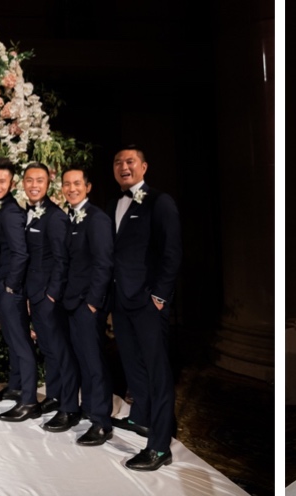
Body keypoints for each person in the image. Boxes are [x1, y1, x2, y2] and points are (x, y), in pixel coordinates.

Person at [106, 147, 184, 471]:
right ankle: (142, 418)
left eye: (130, 162)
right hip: (121, 301)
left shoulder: (159, 201)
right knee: (131, 364)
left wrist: (160, 298)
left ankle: (160, 447)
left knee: (157, 372)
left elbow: (172, 250)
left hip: (148, 301)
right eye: (118, 163)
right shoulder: (113, 204)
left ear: (144, 166)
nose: (124, 167)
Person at [55, 168, 116, 448]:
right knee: (75, 360)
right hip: (68, 301)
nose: (71, 188)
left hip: (86, 304)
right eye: (67, 184)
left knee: (93, 363)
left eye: (77, 183)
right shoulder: (67, 217)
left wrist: (93, 302)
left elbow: (104, 263)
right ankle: (82, 409)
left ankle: (102, 422)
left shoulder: (98, 218)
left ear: (88, 186)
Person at [0, 159, 41, 421]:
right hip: (5, 286)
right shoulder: (1, 209)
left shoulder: (10, 213)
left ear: (12, 183)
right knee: (12, 338)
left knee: (20, 342)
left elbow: (20, 254)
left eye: (2, 181)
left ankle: (29, 401)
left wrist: (10, 286)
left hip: (11, 288)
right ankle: (17, 386)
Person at [20, 163, 74, 431]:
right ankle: (54, 396)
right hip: (35, 293)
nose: (33, 185)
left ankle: (68, 407)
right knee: (49, 351)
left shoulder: (56, 217)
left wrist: (52, 295)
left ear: (48, 184)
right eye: (29, 180)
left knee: (60, 351)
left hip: (49, 296)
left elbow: (62, 261)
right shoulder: (30, 213)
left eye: (39, 180)